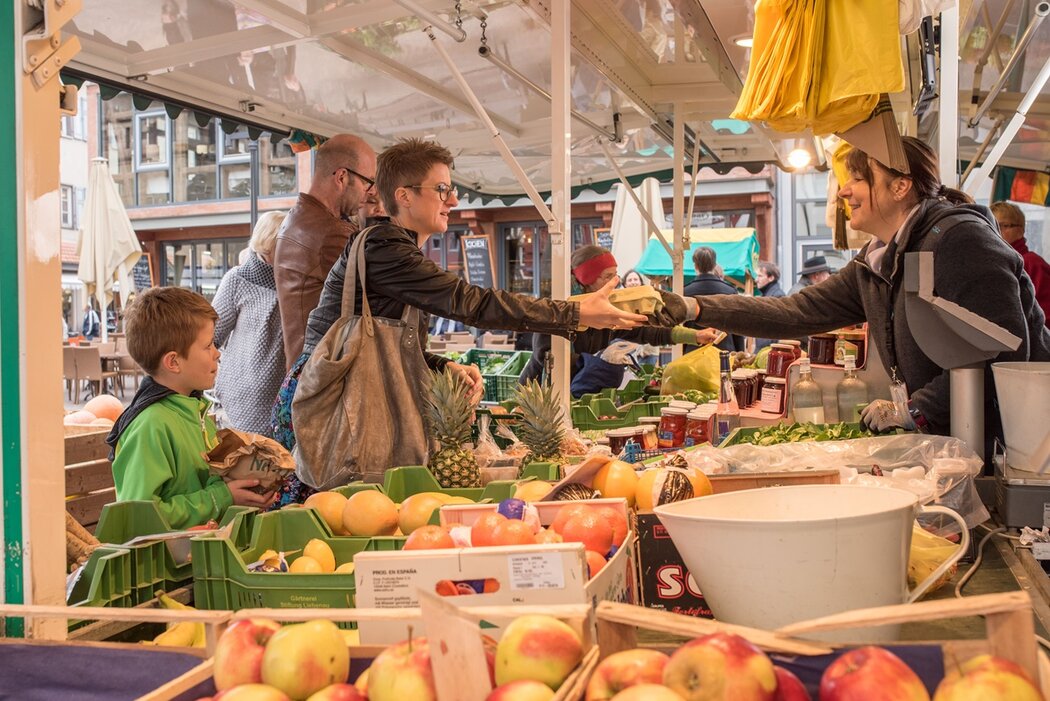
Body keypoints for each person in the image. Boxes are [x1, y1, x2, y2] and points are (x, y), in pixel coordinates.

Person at [273, 139, 694, 493]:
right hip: (335, 406)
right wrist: (576, 311)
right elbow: (472, 303)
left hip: (349, 399)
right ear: (403, 195)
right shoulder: (383, 247)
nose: (453, 199)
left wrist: (444, 365)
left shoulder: (395, 249)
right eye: (441, 189)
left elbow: (389, 344)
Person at [683, 136, 1050, 444]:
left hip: (1014, 445)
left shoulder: (960, 241)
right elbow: (796, 313)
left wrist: (915, 408)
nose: (843, 191)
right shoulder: (876, 262)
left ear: (900, 186)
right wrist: (693, 308)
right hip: (952, 442)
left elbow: (1003, 350)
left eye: (857, 179)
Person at [106, 287, 274, 529]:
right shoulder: (150, 426)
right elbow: (138, 520)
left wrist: (243, 489)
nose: (217, 353)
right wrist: (223, 497)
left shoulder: (197, 412)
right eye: (208, 346)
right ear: (173, 362)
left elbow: (202, 491)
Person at [519, 244, 717, 386]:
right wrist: (591, 361)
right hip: (540, 393)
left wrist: (694, 336)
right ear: (585, 280)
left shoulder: (610, 307)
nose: (615, 282)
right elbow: (546, 360)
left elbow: (645, 331)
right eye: (607, 277)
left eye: (615, 275)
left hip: (579, 392)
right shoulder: (557, 311)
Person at [274, 134, 377, 370]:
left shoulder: (298, 218)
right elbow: (382, 302)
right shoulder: (331, 232)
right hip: (324, 381)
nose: (370, 192)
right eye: (367, 182)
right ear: (341, 176)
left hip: (307, 374)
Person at [212, 210, 288, 436]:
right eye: (284, 242)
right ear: (268, 243)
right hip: (241, 390)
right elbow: (212, 334)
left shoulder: (294, 282)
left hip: (280, 392)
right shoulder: (238, 279)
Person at [991, 201, 1050, 327]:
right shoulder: (995, 263)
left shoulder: (1032, 263)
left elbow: (1047, 315)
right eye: (991, 226)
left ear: (1021, 230)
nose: (996, 231)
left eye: (1002, 225)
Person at [683, 247, 743, 353]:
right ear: (715, 265)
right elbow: (738, 327)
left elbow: (682, 326)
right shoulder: (730, 291)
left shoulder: (685, 292)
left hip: (693, 353)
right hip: (724, 352)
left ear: (695, 265)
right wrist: (739, 352)